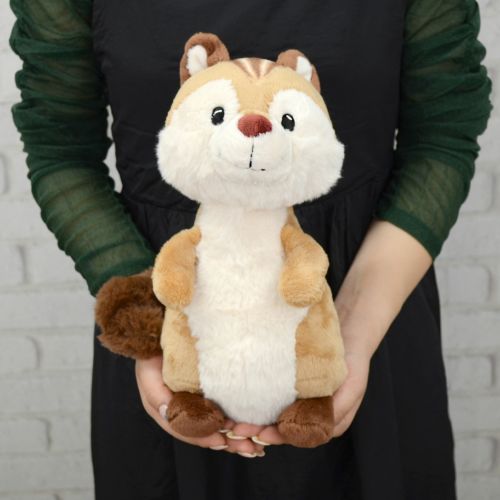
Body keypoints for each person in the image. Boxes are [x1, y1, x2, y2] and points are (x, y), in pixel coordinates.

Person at [10, 0, 492, 499]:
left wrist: (349, 332)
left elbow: (442, 137)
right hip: (172, 335)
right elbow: (60, 149)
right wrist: (150, 329)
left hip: (369, 309)